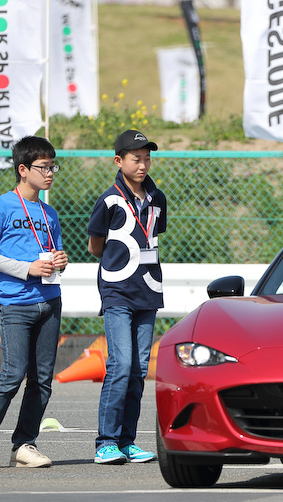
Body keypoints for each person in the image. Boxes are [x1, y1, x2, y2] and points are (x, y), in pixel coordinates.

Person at [0, 136, 68, 470]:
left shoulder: (49, 213)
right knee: (11, 374)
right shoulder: (1, 206)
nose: (50, 172)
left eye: (53, 166)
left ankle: (24, 444)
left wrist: (60, 261)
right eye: (43, 167)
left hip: (49, 301)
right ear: (23, 170)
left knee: (42, 380)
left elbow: (50, 252)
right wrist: (26, 269)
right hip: (16, 304)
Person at [87, 129, 167, 465]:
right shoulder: (109, 200)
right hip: (117, 289)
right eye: (136, 158)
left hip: (148, 290)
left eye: (147, 158)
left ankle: (127, 441)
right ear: (119, 161)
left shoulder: (158, 198)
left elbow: (153, 236)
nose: (143, 164)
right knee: (120, 364)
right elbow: (95, 246)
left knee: (138, 368)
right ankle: (105, 442)